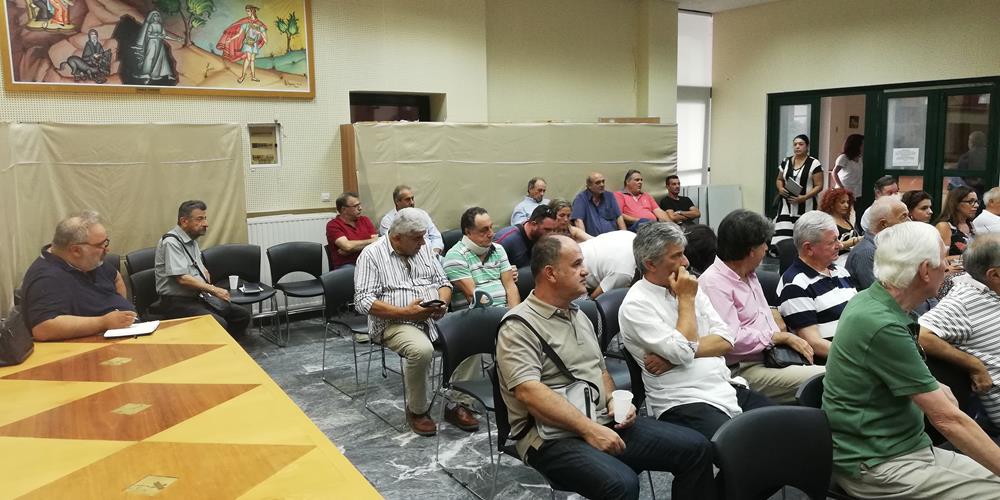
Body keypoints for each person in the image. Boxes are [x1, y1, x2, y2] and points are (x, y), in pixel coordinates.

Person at [496, 234, 716, 499]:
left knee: (696, 449)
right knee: (620, 484)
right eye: (576, 265)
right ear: (551, 273)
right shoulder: (518, 326)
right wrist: (590, 429)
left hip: (600, 418)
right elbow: (528, 392)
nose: (586, 271)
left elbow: (599, 370)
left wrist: (613, 400)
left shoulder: (578, 315)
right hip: (549, 437)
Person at [824, 221, 1000, 498]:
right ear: (925, 270)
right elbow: (948, 419)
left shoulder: (875, 302)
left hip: (908, 449)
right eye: (943, 259)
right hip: (878, 464)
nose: (948, 267)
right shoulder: (881, 323)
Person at [620, 222, 773, 439]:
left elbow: (726, 340)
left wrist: (673, 358)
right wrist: (686, 300)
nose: (686, 262)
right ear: (650, 264)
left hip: (723, 385)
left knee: (780, 427)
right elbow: (684, 351)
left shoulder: (688, 286)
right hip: (683, 399)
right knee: (741, 443)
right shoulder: (637, 305)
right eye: (677, 256)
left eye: (683, 253)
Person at [355, 208, 479, 436]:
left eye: (424, 236)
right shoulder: (371, 255)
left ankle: (458, 403)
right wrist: (405, 312)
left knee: (471, 338)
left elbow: (443, 283)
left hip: (431, 317)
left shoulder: (423, 249)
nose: (423, 242)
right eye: (417, 238)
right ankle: (417, 411)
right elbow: (363, 301)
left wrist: (442, 303)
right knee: (421, 350)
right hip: (393, 323)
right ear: (396, 238)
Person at [700, 210, 824, 403]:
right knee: (829, 377)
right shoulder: (713, 283)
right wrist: (778, 337)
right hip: (743, 367)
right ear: (750, 251)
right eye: (764, 244)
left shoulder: (748, 273)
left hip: (774, 356)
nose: (767, 248)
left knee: (838, 369)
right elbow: (730, 340)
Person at [919, 234, 1000, 432]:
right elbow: (920, 335)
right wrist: (973, 364)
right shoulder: (963, 301)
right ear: (994, 274)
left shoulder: (993, 290)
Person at [20, 211, 136, 341]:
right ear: (76, 250)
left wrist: (122, 307)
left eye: (106, 243)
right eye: (100, 245)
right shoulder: (46, 278)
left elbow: (116, 277)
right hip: (92, 344)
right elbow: (43, 328)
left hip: (127, 332)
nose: (107, 249)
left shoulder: (89, 261)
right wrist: (103, 322)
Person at [153, 200, 251, 337]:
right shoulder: (171, 242)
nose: (206, 224)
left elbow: (200, 269)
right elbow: (182, 279)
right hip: (176, 301)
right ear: (184, 221)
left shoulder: (192, 240)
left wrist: (205, 278)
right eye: (200, 219)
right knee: (218, 323)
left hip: (198, 297)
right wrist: (214, 290)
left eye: (205, 218)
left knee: (242, 316)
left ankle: (229, 346)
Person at [777, 210, 857, 360]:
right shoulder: (795, 285)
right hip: (838, 362)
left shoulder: (840, 271)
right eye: (832, 241)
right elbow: (813, 343)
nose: (840, 245)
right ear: (808, 248)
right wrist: (861, 358)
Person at [442, 207, 519, 309]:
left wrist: (514, 315)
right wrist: (502, 316)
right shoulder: (455, 256)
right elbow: (474, 298)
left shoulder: (498, 249)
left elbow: (511, 287)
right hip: (477, 314)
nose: (491, 234)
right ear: (468, 232)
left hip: (506, 312)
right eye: (484, 230)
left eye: (491, 227)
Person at [845, 195, 910, 290]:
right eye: (903, 217)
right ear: (883, 224)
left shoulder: (884, 247)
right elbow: (881, 293)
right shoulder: (867, 252)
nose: (909, 221)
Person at [771, 134, 823, 247]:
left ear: (807, 146)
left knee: (803, 237)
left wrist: (804, 197)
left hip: (806, 205)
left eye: (801, 144)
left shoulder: (814, 163)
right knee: (782, 237)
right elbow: (779, 179)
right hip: (786, 205)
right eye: (795, 144)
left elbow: (819, 185)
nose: (797, 147)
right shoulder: (786, 161)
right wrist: (780, 188)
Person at [378, 185, 444, 254]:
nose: (412, 202)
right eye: (407, 199)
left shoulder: (422, 214)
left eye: (412, 198)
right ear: (397, 202)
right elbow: (394, 245)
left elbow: (436, 237)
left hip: (433, 254)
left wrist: (434, 253)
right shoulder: (388, 221)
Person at [494, 205, 558, 268]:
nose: (551, 234)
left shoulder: (542, 240)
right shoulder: (506, 240)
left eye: (554, 230)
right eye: (547, 230)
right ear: (533, 224)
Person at [326, 192, 378, 270]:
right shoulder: (333, 225)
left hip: (367, 262)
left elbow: (376, 243)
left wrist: (350, 249)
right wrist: (371, 241)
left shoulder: (365, 220)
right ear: (344, 209)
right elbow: (347, 246)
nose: (360, 208)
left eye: (360, 205)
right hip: (347, 267)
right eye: (356, 206)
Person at [217, 4, 268, 84]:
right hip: (247, 43)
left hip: (254, 45)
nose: (247, 13)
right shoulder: (246, 23)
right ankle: (243, 76)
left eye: (248, 11)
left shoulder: (260, 24)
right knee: (248, 58)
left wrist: (260, 33)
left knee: (252, 60)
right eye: (247, 11)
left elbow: (265, 40)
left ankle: (253, 77)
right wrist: (230, 39)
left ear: (252, 11)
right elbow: (238, 34)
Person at [578, 230, 637, 299]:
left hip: (573, 251)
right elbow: (596, 297)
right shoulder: (625, 272)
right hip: (574, 280)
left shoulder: (630, 235)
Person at [571, 172, 626, 236]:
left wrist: (625, 235)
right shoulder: (581, 199)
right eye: (598, 182)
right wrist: (585, 240)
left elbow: (619, 217)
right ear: (589, 186)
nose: (602, 184)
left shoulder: (609, 196)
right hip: (594, 239)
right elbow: (578, 221)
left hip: (613, 237)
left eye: (603, 181)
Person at [936, 185, 978, 266]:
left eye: (976, 201)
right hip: (953, 272)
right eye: (971, 201)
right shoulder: (945, 226)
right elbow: (942, 259)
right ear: (956, 204)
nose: (976, 205)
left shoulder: (970, 224)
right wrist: (972, 257)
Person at [820, 188, 862, 266]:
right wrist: (854, 241)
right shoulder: (828, 222)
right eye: (842, 202)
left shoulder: (846, 219)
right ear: (832, 203)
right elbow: (829, 246)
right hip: (836, 262)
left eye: (848, 202)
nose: (846, 205)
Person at [133, 10, 178, 83]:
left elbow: (164, 36)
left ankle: (164, 75)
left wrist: (175, 39)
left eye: (157, 16)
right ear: (152, 17)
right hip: (152, 43)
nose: (156, 17)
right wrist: (156, 35)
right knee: (149, 58)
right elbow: (148, 35)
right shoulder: (151, 25)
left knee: (161, 59)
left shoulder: (160, 26)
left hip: (159, 44)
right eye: (154, 16)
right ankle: (146, 74)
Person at [831, 134, 864, 201]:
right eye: (862, 144)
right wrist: (841, 187)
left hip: (856, 191)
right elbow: (834, 173)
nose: (863, 146)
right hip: (844, 189)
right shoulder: (844, 157)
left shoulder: (859, 158)